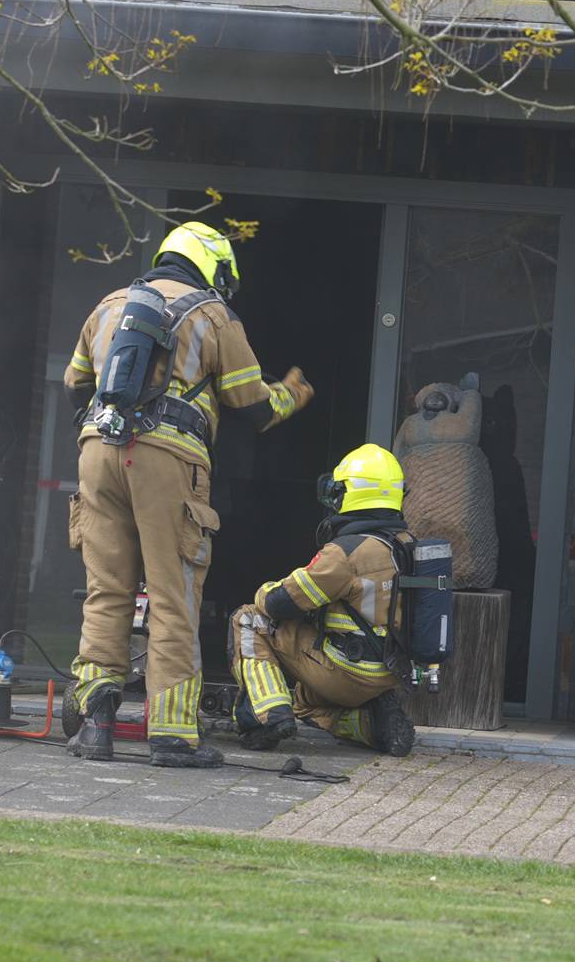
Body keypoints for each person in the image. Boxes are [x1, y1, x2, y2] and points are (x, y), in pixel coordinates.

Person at [63, 221, 313, 768]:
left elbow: (75, 384)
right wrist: (292, 394)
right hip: (167, 463)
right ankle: (173, 737)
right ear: (214, 267)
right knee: (173, 598)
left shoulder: (109, 304)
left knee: (106, 592)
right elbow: (253, 406)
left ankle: (95, 726)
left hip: (98, 452)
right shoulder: (214, 315)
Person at [223, 443, 419, 757]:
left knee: (248, 618)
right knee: (304, 702)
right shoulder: (409, 546)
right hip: (390, 673)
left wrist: (264, 589)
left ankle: (266, 718)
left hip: (347, 669)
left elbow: (280, 603)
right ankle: (374, 725)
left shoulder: (347, 553)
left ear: (354, 493)